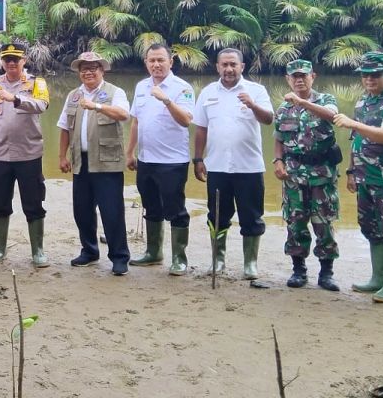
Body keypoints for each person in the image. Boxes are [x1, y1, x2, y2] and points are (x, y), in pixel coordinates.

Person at [332, 51, 383, 302]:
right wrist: (351, 171)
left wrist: (353, 124)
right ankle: (378, 278)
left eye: (375, 75)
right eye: (365, 75)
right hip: (365, 176)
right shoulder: (362, 102)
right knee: (371, 227)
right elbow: (356, 141)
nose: (369, 80)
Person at [191, 48, 274, 279]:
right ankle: (218, 261)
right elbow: (201, 129)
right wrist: (198, 159)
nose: (229, 69)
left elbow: (269, 120)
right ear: (217, 67)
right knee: (217, 216)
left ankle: (250, 264)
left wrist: (253, 105)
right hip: (217, 167)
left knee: (252, 216)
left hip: (249, 167)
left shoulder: (256, 90)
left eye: (233, 65)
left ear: (242, 67)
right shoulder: (207, 92)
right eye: (224, 65)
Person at [58, 51, 133, 275]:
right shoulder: (73, 95)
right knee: (82, 210)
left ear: (102, 70)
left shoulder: (114, 92)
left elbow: (123, 115)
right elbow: (63, 127)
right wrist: (62, 156)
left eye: (93, 68)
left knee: (112, 212)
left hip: (107, 162)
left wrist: (97, 106)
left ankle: (119, 257)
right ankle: (89, 251)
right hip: (80, 161)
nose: (88, 72)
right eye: (84, 68)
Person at [0, 42, 51, 267]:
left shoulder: (36, 82)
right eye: (7, 59)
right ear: (2, 61)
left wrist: (17, 99)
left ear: (24, 61)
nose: (10, 63)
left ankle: (37, 251)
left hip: (28, 154)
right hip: (0, 154)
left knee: (33, 203)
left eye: (15, 59)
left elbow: (42, 105)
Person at [126, 43, 196, 275]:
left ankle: (179, 258)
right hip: (146, 160)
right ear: (146, 63)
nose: (156, 64)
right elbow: (136, 121)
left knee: (175, 209)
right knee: (151, 207)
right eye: (151, 60)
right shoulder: (141, 86)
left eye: (160, 60)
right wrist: (129, 152)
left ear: (170, 62)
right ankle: (154, 252)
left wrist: (166, 100)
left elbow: (186, 120)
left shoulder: (182, 88)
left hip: (173, 161)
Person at [271, 59, 341, 291]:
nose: (299, 79)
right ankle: (298, 270)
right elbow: (279, 137)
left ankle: (326, 272)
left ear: (313, 76)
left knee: (324, 223)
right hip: (294, 174)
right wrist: (278, 160)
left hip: (322, 173)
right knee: (295, 222)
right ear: (288, 79)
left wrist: (302, 102)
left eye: (304, 75)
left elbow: (332, 117)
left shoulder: (326, 100)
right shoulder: (284, 108)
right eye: (294, 76)